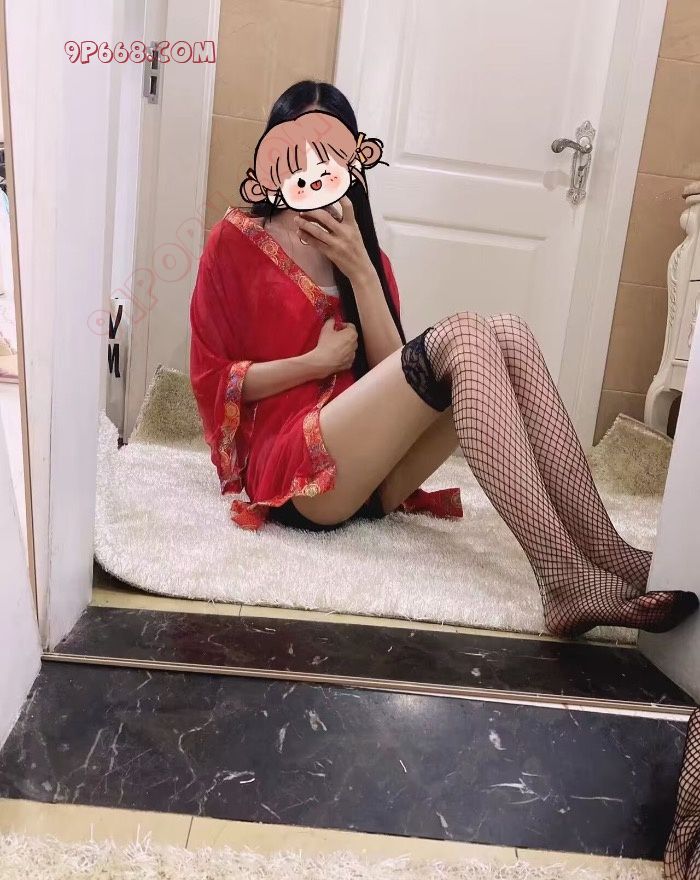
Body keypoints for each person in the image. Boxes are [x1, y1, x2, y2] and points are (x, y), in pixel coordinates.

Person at [190, 80, 698, 638]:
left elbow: (401, 377)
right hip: (297, 476)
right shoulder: (234, 242)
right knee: (461, 334)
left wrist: (360, 268)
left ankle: (606, 551)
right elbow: (213, 380)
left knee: (507, 334)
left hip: (373, 475)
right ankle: (564, 579)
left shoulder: (367, 254)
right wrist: (314, 364)